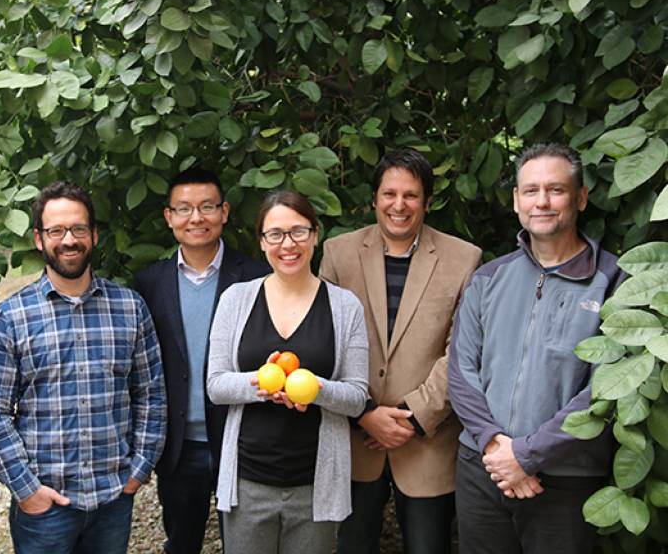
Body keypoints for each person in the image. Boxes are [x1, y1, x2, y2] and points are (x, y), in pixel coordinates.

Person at [448, 143, 623, 553]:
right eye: (530, 190)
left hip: (565, 475)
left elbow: (605, 389)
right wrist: (497, 447)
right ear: (516, 201)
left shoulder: (614, 282)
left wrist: (526, 454)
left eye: (556, 190)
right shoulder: (489, 278)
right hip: (483, 469)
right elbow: (461, 373)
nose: (542, 201)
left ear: (581, 197)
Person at [0, 181, 166, 554]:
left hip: (113, 499)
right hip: (44, 508)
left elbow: (151, 393)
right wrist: (26, 489)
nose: (69, 240)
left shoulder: (130, 308)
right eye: (56, 230)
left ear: (94, 235)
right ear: (38, 238)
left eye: (78, 229)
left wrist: (138, 470)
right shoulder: (11, 317)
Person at [320, 148, 482, 554]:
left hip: (428, 439)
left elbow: (462, 351)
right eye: (389, 194)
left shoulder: (464, 259)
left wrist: (410, 417)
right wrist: (365, 414)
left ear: (427, 201)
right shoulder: (339, 253)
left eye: (410, 195)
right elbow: (324, 339)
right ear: (374, 198)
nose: (399, 205)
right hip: (355, 437)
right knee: (352, 546)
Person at [206, 190, 369, 554]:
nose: (287, 244)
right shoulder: (236, 299)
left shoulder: (345, 306)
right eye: (275, 234)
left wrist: (314, 390)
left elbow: (358, 397)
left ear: (315, 234)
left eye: (298, 231)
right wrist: (261, 382)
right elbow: (215, 385)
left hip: (316, 484)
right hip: (248, 481)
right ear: (262, 242)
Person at [134, 168, 269, 554]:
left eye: (207, 207)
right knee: (181, 541)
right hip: (179, 445)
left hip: (241, 437)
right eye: (185, 208)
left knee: (245, 543)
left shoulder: (255, 277)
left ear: (224, 211)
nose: (196, 218)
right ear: (169, 217)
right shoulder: (149, 283)